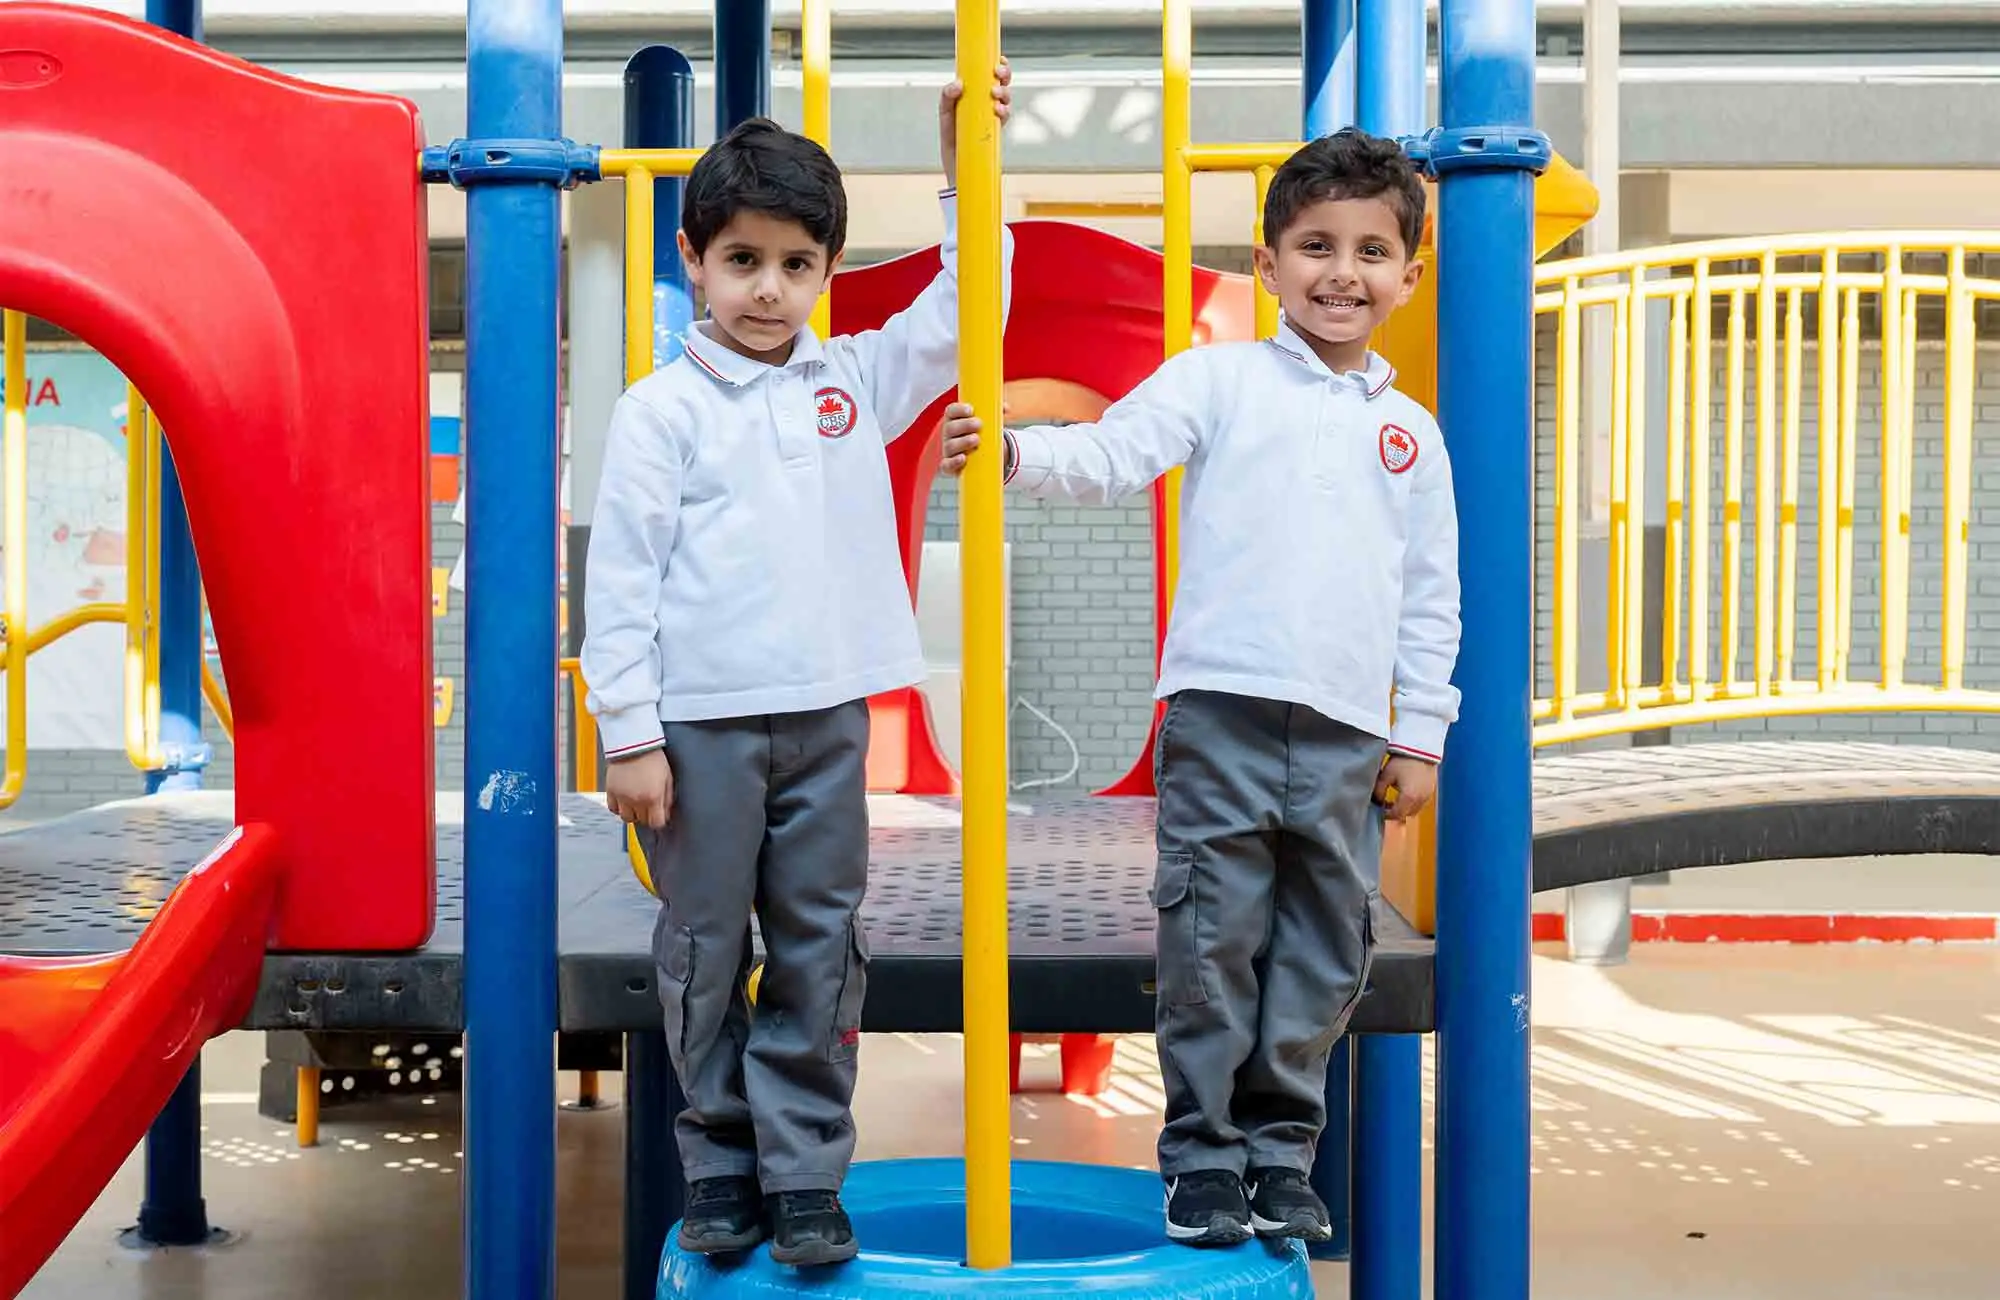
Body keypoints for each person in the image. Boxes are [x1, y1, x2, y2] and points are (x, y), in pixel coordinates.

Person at [937, 126, 1461, 1247]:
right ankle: (1203, 1157)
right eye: (1314, 245)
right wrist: (1019, 453)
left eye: (1371, 251)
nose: (1341, 272)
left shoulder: (1408, 435)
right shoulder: (1217, 380)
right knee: (1209, 939)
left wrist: (1418, 736)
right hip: (1219, 714)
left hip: (1345, 735)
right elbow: (1119, 452)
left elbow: (1429, 599)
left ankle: (1280, 1152)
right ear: (1266, 266)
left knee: (1322, 950)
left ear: (1407, 278)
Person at [583, 68, 1013, 1268]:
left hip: (826, 718)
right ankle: (720, 1162)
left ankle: (807, 1171)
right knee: (706, 944)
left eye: (793, 265)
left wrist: (960, 163)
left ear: (825, 270)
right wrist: (629, 731)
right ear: (692, 260)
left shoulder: (851, 382)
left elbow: (968, 303)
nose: (767, 290)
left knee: (821, 946)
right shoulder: (662, 411)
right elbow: (620, 579)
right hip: (702, 728)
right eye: (741, 262)